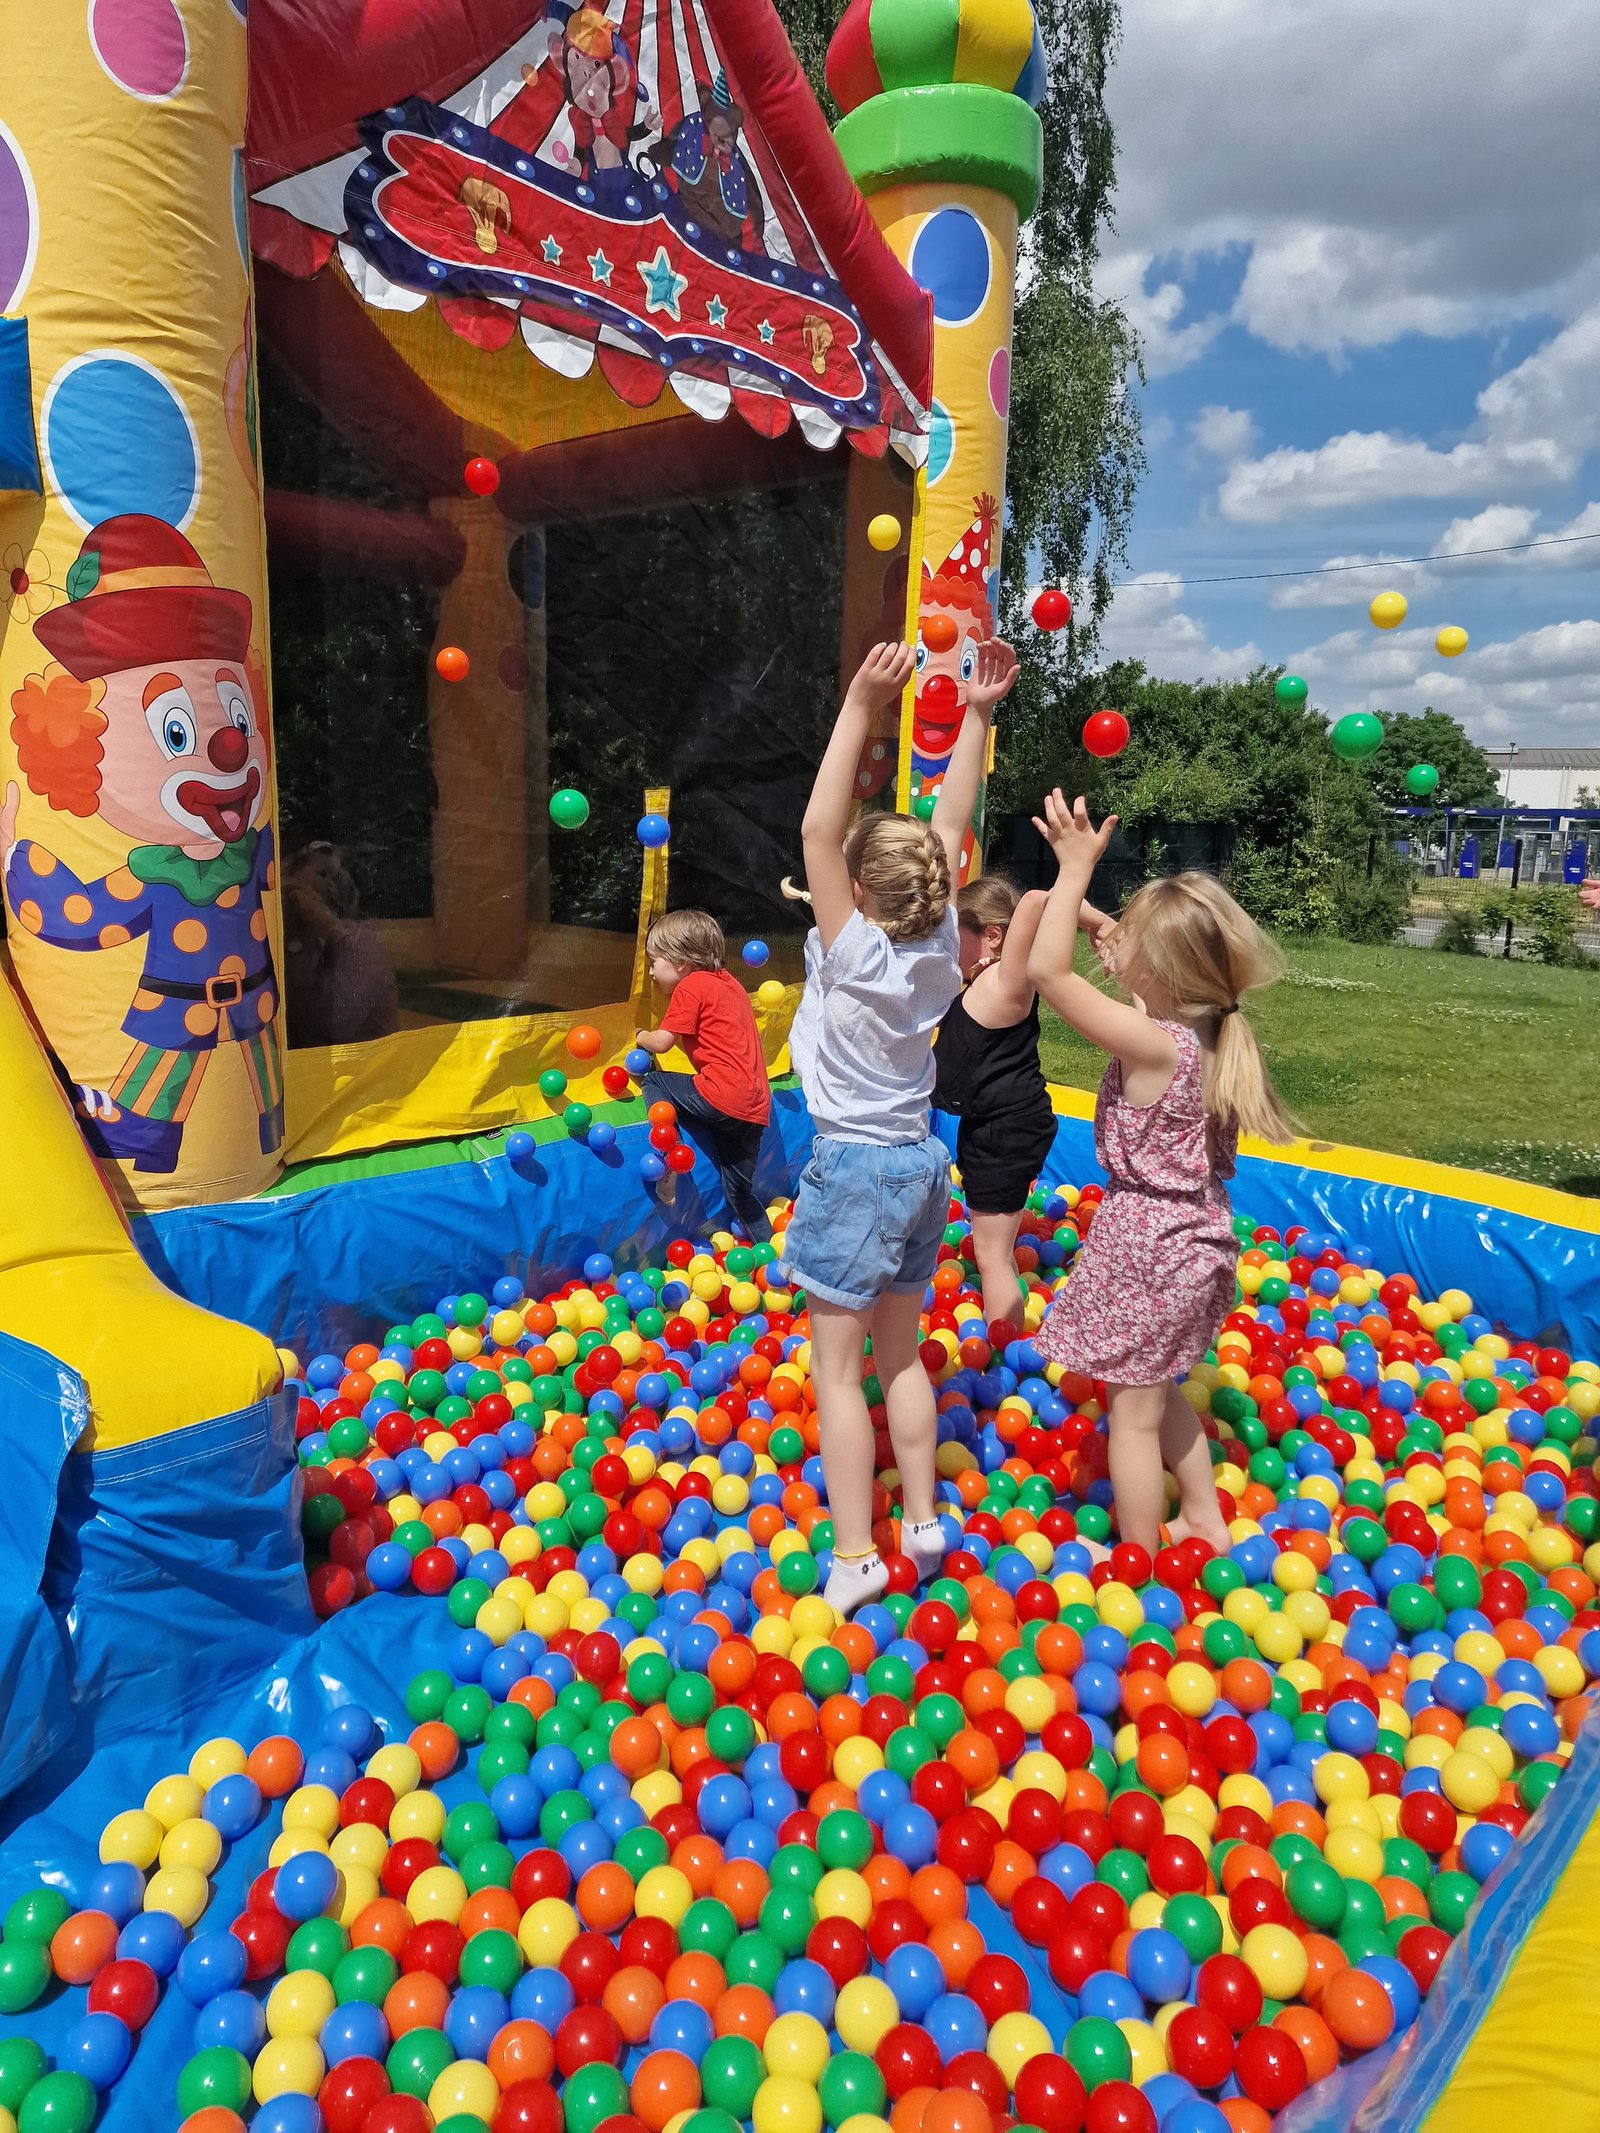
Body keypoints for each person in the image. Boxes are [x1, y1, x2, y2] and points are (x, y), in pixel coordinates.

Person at [782, 636, 1018, 1616]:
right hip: (924, 1167)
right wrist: (975, 713)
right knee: (902, 1350)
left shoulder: (859, 955)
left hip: (853, 1171)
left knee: (838, 1374)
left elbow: (813, 828)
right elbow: (951, 819)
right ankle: (920, 1521)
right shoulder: (936, 950)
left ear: (863, 896)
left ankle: (852, 1556)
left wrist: (857, 706)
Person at [1026, 789, 1295, 1561]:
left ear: (1161, 970)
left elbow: (1048, 971)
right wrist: (1096, 917)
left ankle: (1138, 1557)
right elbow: (1126, 956)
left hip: (1149, 1243)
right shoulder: (1211, 1029)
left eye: (1130, 944)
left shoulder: (1153, 1046)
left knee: (1131, 1415)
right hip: (1196, 1237)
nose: (1115, 952)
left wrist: (1076, 867)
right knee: (1160, 1382)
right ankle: (1205, 1517)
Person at [932, 874, 1115, 1330]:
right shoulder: (983, 980)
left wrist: (1096, 921)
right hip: (997, 1123)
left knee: (990, 1255)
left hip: (1007, 1129)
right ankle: (1010, 1321)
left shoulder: (1008, 981)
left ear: (993, 935)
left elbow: (1035, 898)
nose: (947, 948)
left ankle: (1003, 1351)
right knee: (998, 1245)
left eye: (957, 937)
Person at [633, 909, 773, 1241]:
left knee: (654, 1079)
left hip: (721, 1095)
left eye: (655, 962)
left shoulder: (691, 986)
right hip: (755, 1108)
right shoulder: (732, 985)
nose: (651, 971)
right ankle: (773, 1260)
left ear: (680, 962)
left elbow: (662, 1044)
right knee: (740, 1192)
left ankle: (670, 1155)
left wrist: (638, 1035)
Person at [282, 842, 399, 1049]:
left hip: (364, 1070)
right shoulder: (300, 938)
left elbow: (336, 1023)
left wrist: (327, 927)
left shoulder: (358, 941)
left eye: (333, 877)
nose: (329, 884)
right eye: (322, 874)